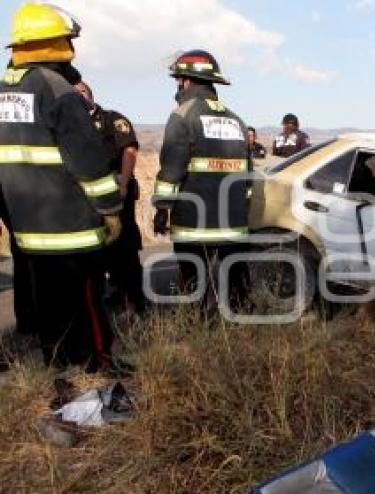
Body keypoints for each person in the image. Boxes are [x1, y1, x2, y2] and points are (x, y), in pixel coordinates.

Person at [0, 3, 123, 371]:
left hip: (27, 228)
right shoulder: (57, 90)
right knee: (86, 301)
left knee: (48, 305)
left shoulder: (4, 92)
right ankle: (97, 364)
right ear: (58, 44)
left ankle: (58, 367)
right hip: (71, 228)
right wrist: (110, 209)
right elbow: (87, 160)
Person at [152, 49, 251, 316]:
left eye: (179, 80)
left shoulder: (182, 115)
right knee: (237, 282)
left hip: (194, 221)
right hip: (234, 220)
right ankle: (242, 326)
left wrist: (162, 208)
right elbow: (248, 176)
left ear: (186, 81)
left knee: (194, 282)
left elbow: (172, 169)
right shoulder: (237, 120)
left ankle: (197, 326)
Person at [75, 81, 145, 314]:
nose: (78, 96)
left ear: (91, 95)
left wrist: (124, 180)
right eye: (73, 93)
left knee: (124, 249)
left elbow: (129, 149)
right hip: (84, 200)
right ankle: (108, 297)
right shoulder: (69, 124)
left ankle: (135, 302)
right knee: (94, 251)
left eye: (82, 92)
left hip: (116, 195)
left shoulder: (112, 119)